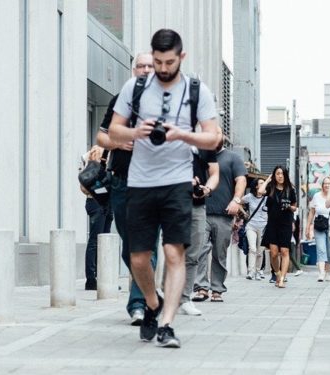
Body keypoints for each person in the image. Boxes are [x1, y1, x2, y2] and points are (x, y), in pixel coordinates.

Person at [108, 29, 222, 348]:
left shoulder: (197, 90)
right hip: (140, 182)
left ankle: (167, 324)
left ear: (181, 57)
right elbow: (112, 132)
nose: (162, 68)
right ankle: (152, 303)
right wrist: (135, 131)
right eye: (157, 61)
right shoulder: (136, 86)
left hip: (177, 181)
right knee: (139, 259)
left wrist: (182, 135)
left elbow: (214, 138)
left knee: (174, 252)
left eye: (169, 62)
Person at [97, 51, 155, 325]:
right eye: (139, 66)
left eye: (149, 66)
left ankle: (138, 304)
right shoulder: (120, 101)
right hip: (121, 181)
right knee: (129, 246)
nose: (144, 70)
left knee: (146, 246)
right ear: (134, 70)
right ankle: (147, 290)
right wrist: (118, 143)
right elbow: (101, 136)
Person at [192, 144, 247, 302]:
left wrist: (236, 200)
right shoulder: (199, 155)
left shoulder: (233, 158)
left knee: (219, 253)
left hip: (224, 214)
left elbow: (241, 180)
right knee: (200, 250)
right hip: (201, 211)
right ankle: (201, 288)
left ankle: (217, 289)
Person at [177, 145, 219, 316]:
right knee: (173, 251)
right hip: (173, 202)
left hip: (197, 206)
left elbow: (215, 173)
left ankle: (185, 299)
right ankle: (167, 297)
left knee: (194, 253)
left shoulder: (203, 143)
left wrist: (206, 189)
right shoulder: (170, 136)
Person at [80, 145, 114, 291]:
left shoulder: (113, 153)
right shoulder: (93, 154)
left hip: (105, 202)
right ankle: (91, 280)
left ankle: (103, 279)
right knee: (95, 241)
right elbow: (85, 184)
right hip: (96, 202)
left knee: (104, 242)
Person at [259, 166, 298, 288]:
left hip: (285, 223)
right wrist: (268, 179)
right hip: (272, 224)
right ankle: (277, 273)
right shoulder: (270, 188)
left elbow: (295, 207)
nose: (280, 176)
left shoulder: (290, 189)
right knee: (274, 253)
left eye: (282, 174)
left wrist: (289, 207)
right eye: (277, 174)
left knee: (285, 251)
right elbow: (260, 191)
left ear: (285, 175)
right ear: (274, 175)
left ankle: (282, 279)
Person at [306, 177, 330, 282]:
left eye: (329, 184)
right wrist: (308, 227)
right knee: (321, 249)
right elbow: (312, 212)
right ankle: (321, 273)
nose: (327, 185)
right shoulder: (317, 196)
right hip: (319, 226)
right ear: (322, 185)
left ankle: (328, 272)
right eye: (325, 183)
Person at [244, 178, 268, 280]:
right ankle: (250, 271)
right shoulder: (250, 197)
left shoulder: (267, 198)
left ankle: (258, 271)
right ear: (257, 186)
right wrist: (244, 213)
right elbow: (238, 201)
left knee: (260, 251)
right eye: (261, 183)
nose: (264, 185)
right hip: (251, 226)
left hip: (263, 227)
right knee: (252, 249)